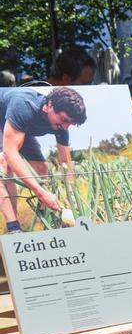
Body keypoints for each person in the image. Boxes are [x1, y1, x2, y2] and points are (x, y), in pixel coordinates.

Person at [0, 87, 86, 232]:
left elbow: (66, 163)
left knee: (42, 170)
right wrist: (41, 193)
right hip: (5, 120)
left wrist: (70, 196)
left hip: (22, 126)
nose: (65, 127)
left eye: (70, 123)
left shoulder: (62, 126)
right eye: (64, 120)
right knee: (4, 166)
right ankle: (13, 227)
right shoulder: (24, 105)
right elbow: (10, 152)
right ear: (50, 105)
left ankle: (45, 216)